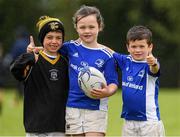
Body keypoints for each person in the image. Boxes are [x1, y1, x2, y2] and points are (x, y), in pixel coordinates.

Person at [27, 5, 119, 137]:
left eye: (91, 27)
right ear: (76, 28)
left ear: (100, 26)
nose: (87, 31)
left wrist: (107, 91)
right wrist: (35, 49)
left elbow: (113, 82)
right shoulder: (70, 48)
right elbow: (52, 48)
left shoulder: (107, 55)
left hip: (96, 108)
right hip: (72, 108)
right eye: (82, 27)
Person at [10, 16, 69, 136]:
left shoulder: (66, 61)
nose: (54, 41)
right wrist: (29, 56)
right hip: (36, 126)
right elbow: (15, 70)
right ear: (42, 39)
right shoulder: (33, 60)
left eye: (58, 38)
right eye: (49, 37)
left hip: (60, 126)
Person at [112, 25, 165, 136]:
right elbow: (108, 52)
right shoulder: (126, 60)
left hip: (149, 123)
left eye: (142, 46)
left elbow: (155, 69)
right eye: (134, 46)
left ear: (150, 47)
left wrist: (153, 63)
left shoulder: (150, 63)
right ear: (128, 47)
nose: (137, 50)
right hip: (128, 121)